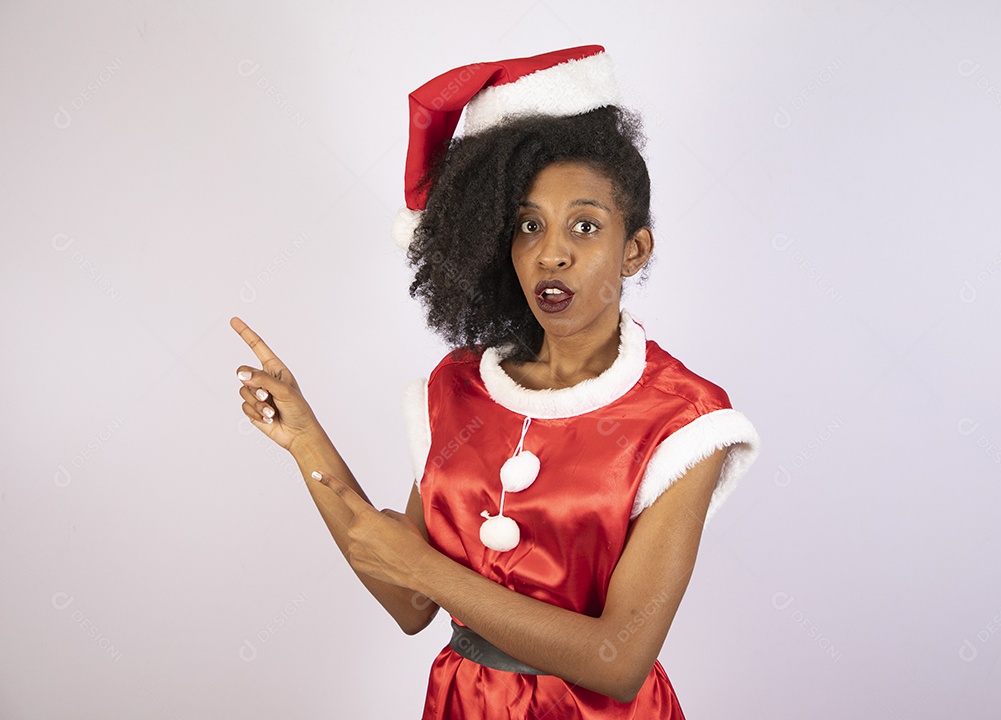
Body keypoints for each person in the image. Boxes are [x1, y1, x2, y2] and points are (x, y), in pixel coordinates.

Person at [232, 45, 760, 719]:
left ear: (635, 249)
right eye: (528, 226)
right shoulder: (461, 391)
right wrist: (307, 443)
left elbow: (620, 662)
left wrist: (424, 568)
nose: (552, 251)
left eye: (586, 226)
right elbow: (408, 602)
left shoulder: (685, 419)